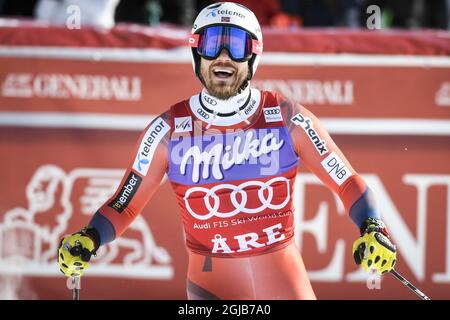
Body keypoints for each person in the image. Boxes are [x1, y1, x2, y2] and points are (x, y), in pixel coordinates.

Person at [57, 2, 397, 300]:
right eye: (210, 44)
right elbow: (124, 205)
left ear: (253, 55)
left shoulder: (287, 117)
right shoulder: (166, 130)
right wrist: (89, 237)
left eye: (235, 45)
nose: (222, 57)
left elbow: (346, 182)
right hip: (212, 286)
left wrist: (373, 228)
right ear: (195, 53)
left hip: (283, 278)